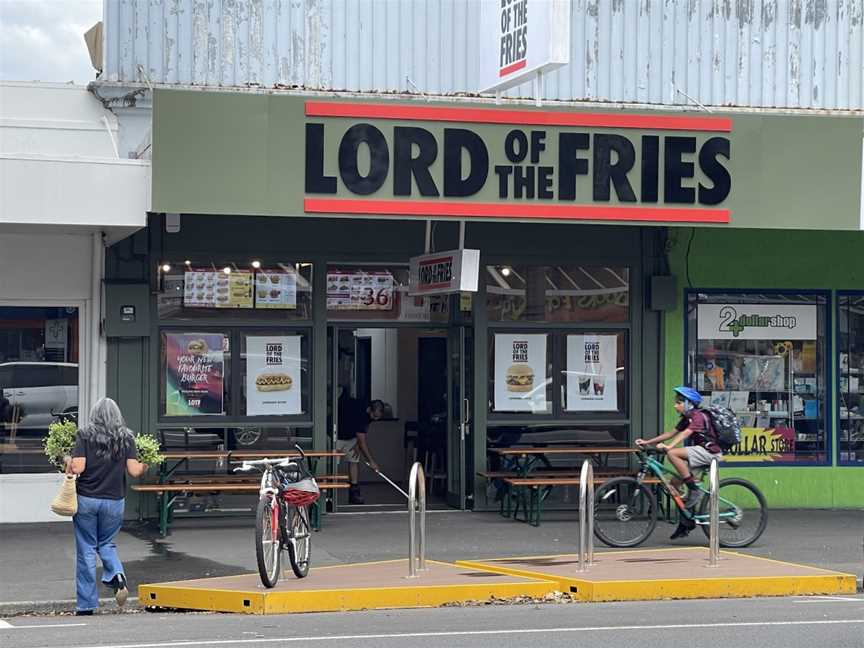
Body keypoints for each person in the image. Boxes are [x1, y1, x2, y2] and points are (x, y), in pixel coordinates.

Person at [65, 398, 148, 615]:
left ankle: (86, 605)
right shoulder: (126, 437)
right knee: (107, 543)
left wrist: (66, 459)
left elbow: (78, 467)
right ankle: (117, 575)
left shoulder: (84, 434)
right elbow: (134, 471)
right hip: (114, 501)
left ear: (94, 414)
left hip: (87, 500)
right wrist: (146, 463)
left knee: (86, 549)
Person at [635, 386, 722, 539]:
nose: (675, 405)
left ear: (689, 403)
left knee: (672, 454)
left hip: (710, 453)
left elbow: (686, 433)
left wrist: (670, 447)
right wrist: (648, 441)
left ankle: (693, 489)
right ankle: (686, 521)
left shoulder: (698, 416)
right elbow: (670, 433)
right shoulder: (686, 418)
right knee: (674, 486)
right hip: (699, 453)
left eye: (679, 402)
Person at [336, 390, 384, 504]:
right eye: (375, 416)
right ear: (369, 410)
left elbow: (360, 436)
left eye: (378, 417)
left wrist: (357, 443)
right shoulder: (359, 412)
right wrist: (371, 462)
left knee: (354, 460)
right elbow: (362, 441)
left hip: (351, 437)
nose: (375, 419)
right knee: (333, 464)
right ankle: (329, 496)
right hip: (336, 434)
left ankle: (354, 492)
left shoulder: (369, 415)